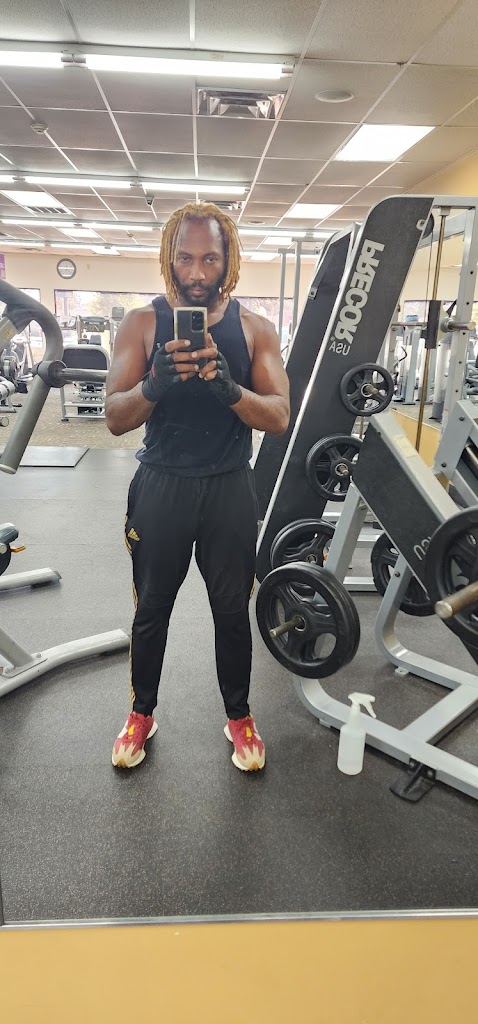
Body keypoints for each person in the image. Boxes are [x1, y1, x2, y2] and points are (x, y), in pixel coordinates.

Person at [105, 202, 290, 772]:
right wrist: (155, 384)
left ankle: (239, 716)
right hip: (161, 486)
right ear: (170, 258)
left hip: (229, 488)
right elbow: (114, 417)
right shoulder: (142, 323)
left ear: (227, 260)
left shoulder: (255, 328)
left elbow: (279, 416)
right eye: (185, 258)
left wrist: (230, 390)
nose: (197, 272)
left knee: (231, 610)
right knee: (151, 609)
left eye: (210, 258)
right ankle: (141, 712)